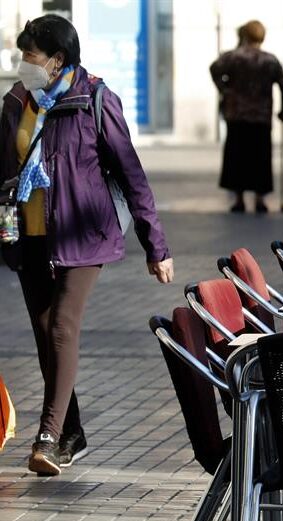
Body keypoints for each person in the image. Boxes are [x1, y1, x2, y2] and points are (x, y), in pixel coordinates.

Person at [0, 15, 173, 475]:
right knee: (44, 336)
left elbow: (131, 174)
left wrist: (155, 244)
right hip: (28, 234)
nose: (24, 63)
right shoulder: (17, 101)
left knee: (62, 328)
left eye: (31, 55)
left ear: (57, 60)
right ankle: (72, 431)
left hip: (83, 232)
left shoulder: (93, 99)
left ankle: (49, 437)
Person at [210, 20, 283, 214]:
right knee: (260, 156)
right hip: (261, 116)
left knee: (237, 156)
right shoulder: (270, 60)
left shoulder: (233, 57)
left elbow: (214, 68)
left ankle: (239, 199)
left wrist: (224, 89)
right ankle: (260, 199)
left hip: (237, 114)